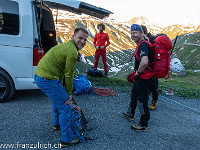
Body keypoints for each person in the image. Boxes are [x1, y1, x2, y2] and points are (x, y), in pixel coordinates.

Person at [34, 28, 89, 147]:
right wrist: (69, 93)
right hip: (47, 79)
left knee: (58, 99)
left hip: (41, 76)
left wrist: (63, 88)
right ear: (73, 36)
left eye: (85, 39)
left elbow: (64, 72)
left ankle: (57, 124)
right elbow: (69, 74)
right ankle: (66, 139)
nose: (83, 41)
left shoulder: (68, 46)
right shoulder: (72, 51)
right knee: (66, 105)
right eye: (80, 38)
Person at [123, 24, 154, 131]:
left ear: (141, 33)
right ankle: (130, 113)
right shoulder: (143, 44)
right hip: (142, 77)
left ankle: (143, 124)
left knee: (142, 100)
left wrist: (138, 73)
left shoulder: (142, 45)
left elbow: (144, 62)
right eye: (132, 33)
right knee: (134, 94)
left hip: (144, 77)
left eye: (135, 33)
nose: (133, 35)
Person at [141, 25, 158, 110]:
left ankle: (154, 101)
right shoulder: (150, 37)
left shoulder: (150, 38)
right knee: (150, 84)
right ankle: (147, 99)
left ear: (142, 32)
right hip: (150, 65)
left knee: (153, 84)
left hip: (152, 65)